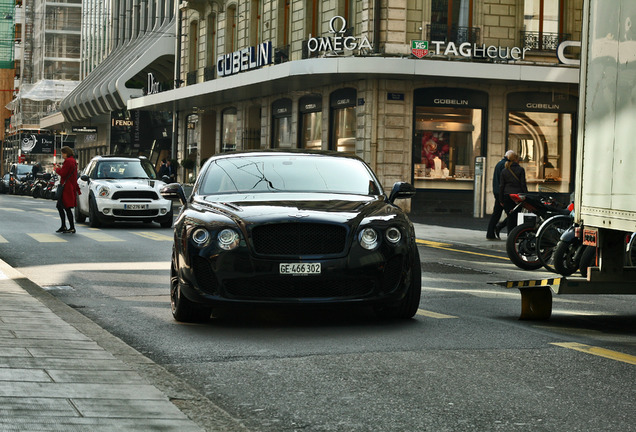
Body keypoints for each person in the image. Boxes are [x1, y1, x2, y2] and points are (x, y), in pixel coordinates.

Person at [499, 150, 528, 235]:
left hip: (507, 196)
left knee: (510, 216)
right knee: (516, 216)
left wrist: (501, 199)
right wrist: (526, 195)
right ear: (516, 159)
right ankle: (515, 235)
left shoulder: (504, 171)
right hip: (517, 196)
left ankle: (510, 235)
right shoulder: (520, 170)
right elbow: (523, 184)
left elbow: (501, 186)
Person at [486, 150, 513, 239]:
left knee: (496, 214)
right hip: (504, 193)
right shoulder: (505, 165)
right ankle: (509, 234)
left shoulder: (499, 164)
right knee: (511, 214)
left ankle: (490, 233)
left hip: (497, 191)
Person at [54, 146, 80, 234]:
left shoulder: (68, 161)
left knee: (65, 207)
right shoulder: (72, 161)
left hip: (66, 187)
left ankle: (69, 227)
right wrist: (61, 168)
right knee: (63, 206)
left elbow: (63, 173)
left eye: (63, 153)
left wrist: (57, 169)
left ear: (66, 153)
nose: (62, 155)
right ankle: (66, 226)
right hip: (69, 186)